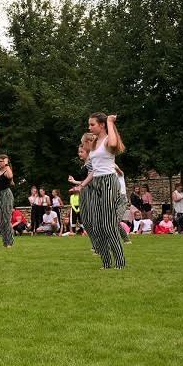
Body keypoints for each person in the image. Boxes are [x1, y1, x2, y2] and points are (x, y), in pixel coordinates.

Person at [71, 114, 127, 270]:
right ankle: (106, 262)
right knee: (96, 225)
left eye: (92, 124)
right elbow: (94, 170)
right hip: (96, 182)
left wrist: (110, 121)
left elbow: (115, 143)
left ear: (101, 125)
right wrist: (82, 185)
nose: (89, 127)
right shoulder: (94, 143)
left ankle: (120, 262)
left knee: (108, 225)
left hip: (109, 181)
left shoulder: (108, 139)